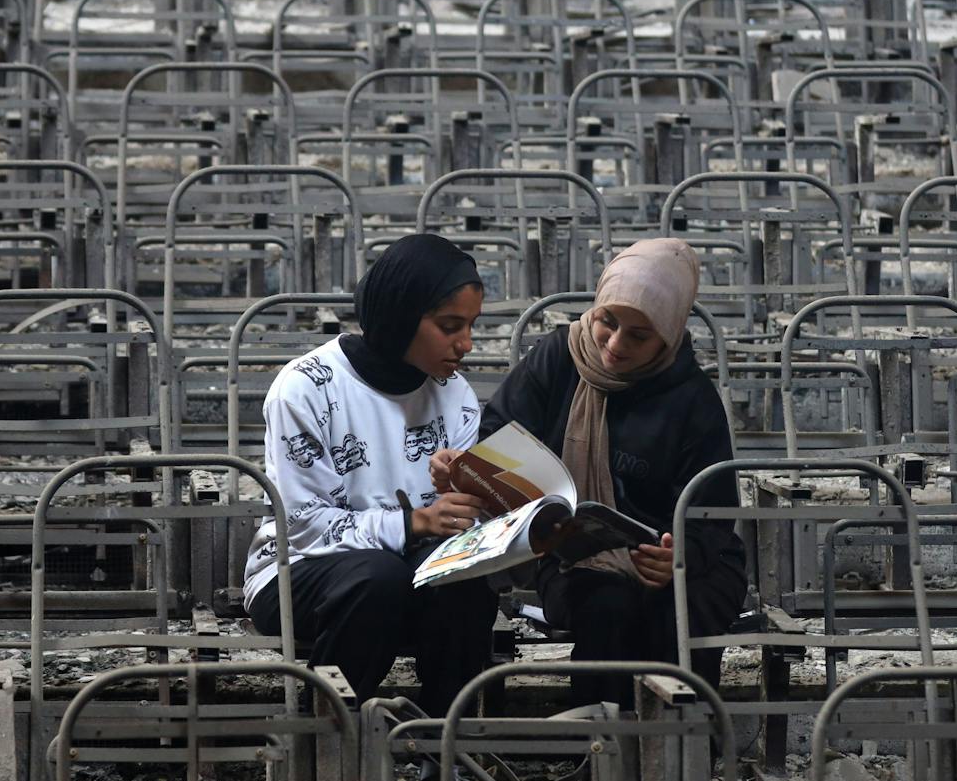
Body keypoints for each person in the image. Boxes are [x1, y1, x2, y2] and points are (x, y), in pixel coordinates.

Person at [457, 237, 746, 706]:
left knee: (680, 612)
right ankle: (600, 739)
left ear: (668, 335)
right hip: (567, 554)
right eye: (607, 322)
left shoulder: (690, 397)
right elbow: (498, 441)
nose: (615, 344)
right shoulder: (558, 358)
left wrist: (678, 555)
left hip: (676, 559)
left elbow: (711, 507)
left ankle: (681, 742)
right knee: (605, 605)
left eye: (639, 336)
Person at [244, 233, 498, 718]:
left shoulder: (456, 394)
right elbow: (306, 524)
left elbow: (458, 530)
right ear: (400, 315)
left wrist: (464, 500)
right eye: (450, 326)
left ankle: (442, 740)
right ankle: (327, 737)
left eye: (471, 326)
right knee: (379, 578)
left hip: (408, 572)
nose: (466, 344)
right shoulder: (305, 387)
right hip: (295, 569)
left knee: (463, 586)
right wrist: (416, 522)